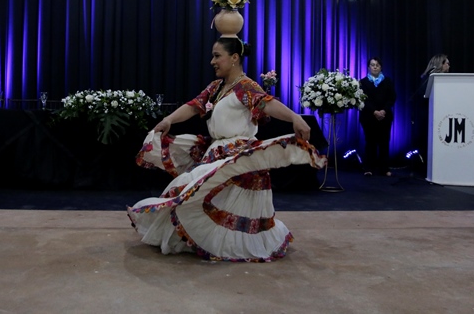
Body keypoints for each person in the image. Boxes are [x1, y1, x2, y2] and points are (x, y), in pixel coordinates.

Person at [127, 37, 327, 262]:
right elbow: (194, 106)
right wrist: (168, 120)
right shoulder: (217, 87)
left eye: (217, 56)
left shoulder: (245, 86)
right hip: (218, 153)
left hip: (239, 158)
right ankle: (206, 241)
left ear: (234, 58)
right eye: (213, 56)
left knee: (195, 195)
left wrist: (295, 117)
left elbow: (267, 103)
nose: (212, 61)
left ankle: (226, 246)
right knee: (187, 194)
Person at [410, 54, 450, 165]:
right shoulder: (429, 77)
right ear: (439, 64)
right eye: (447, 63)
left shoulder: (446, 79)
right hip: (428, 114)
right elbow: (423, 94)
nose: (449, 65)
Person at [359, 57, 397, 177]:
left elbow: (392, 98)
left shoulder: (388, 81)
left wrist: (383, 111)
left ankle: (384, 168)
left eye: (377, 65)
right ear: (368, 67)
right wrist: (374, 111)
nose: (375, 67)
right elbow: (363, 99)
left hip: (385, 117)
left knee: (384, 143)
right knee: (370, 142)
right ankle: (368, 168)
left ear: (381, 67)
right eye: (372, 65)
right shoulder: (363, 82)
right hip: (368, 117)